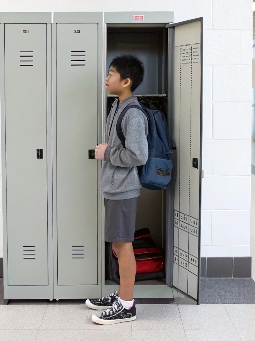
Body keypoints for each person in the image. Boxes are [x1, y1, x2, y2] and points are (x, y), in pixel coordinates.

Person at [86, 54, 148, 325]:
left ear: (126, 81)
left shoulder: (133, 114)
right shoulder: (117, 106)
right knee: (117, 244)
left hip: (123, 190)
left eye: (111, 73)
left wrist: (107, 152)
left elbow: (138, 155)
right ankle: (121, 295)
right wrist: (109, 152)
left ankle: (127, 306)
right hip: (114, 187)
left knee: (123, 246)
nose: (106, 78)